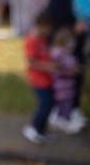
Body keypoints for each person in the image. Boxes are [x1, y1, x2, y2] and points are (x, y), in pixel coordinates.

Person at [39, 0, 88, 126]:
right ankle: (55, 105)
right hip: (55, 22)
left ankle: (73, 106)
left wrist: (82, 19)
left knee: (74, 63)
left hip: (73, 25)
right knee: (54, 62)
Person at [23, 11, 56, 145]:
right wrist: (47, 67)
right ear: (43, 26)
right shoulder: (33, 40)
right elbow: (31, 61)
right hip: (38, 80)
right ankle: (33, 127)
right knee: (46, 104)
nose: (49, 32)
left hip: (47, 79)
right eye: (49, 29)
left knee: (49, 104)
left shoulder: (42, 39)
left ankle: (41, 129)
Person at [50, 28, 84, 134]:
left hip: (69, 86)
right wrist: (69, 72)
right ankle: (62, 121)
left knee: (67, 103)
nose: (72, 43)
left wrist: (77, 68)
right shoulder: (57, 53)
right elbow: (55, 69)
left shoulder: (68, 53)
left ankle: (64, 120)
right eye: (69, 40)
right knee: (63, 104)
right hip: (61, 85)